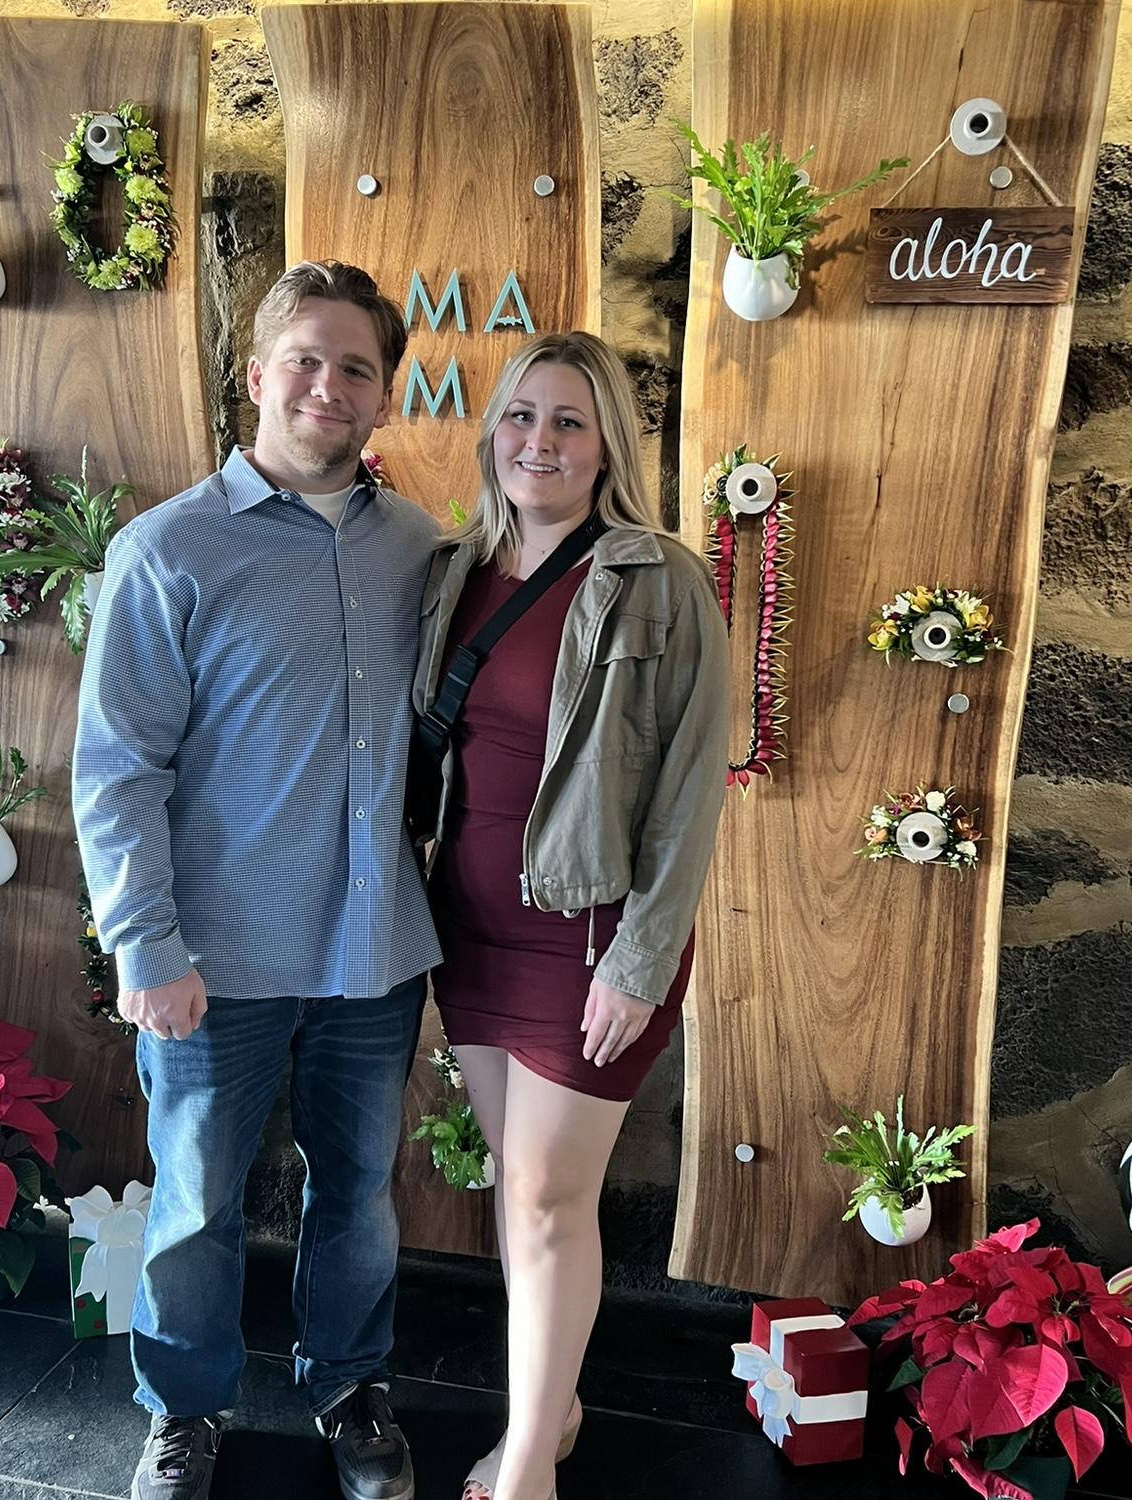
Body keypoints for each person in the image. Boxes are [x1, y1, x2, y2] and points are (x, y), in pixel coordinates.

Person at [74, 260, 439, 1500]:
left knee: (360, 1193)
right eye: (306, 359)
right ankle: (183, 1410)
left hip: (373, 951)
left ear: (383, 396)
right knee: (194, 1203)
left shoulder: (421, 550)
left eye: (356, 368)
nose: (328, 385)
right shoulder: (166, 549)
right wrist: (144, 946)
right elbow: (117, 767)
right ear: (257, 374)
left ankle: (349, 1385)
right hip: (211, 960)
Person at [412, 332, 731, 1500]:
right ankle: (551, 1410)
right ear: (493, 431)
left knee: (549, 1194)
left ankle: (527, 1468)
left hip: (589, 936)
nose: (537, 442)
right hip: (470, 928)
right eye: (521, 416)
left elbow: (692, 787)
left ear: (606, 451)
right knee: (521, 1182)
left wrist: (641, 961)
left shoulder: (660, 579)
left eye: (567, 423)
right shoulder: (454, 572)